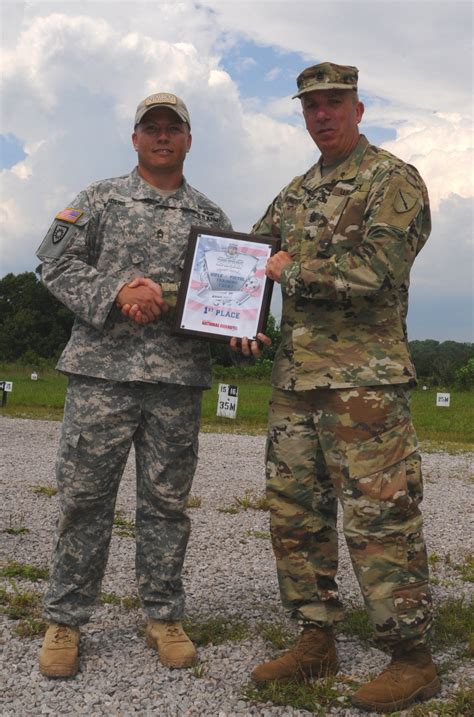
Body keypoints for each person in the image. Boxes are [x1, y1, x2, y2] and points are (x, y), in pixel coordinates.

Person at [35, 92, 265, 678]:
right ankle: (65, 619)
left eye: (174, 129)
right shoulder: (98, 199)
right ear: (134, 138)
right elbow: (52, 262)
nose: (162, 137)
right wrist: (118, 291)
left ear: (189, 140)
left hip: (175, 381)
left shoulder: (211, 220)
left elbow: (223, 301)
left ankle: (163, 614)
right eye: (151, 127)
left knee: (165, 504)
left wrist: (238, 333)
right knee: (84, 500)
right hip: (101, 377)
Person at [249, 62, 440, 713]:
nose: (321, 115)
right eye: (310, 106)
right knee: (294, 513)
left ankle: (412, 656)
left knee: (379, 517)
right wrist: (233, 319)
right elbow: (247, 260)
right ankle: (316, 636)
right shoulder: (296, 192)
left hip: (364, 388)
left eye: (333, 103)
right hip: (295, 384)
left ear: (357, 108)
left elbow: (377, 270)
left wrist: (289, 268)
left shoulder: (393, 180)